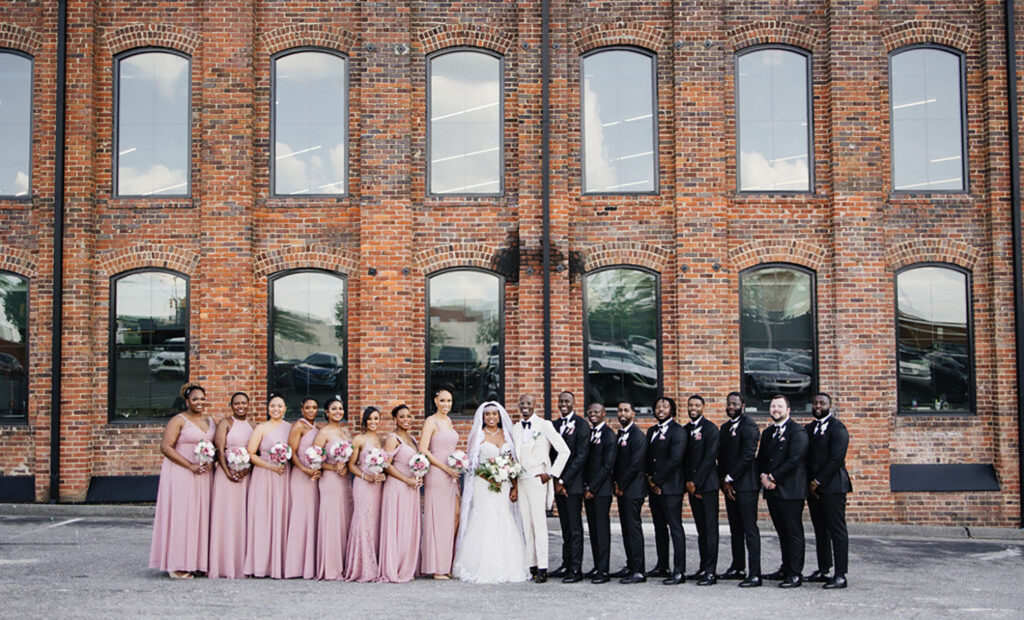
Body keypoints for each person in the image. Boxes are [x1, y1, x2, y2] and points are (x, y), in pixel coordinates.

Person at [452, 401, 529, 584]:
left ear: (500, 416)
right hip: (483, 484)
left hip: (502, 485)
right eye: (488, 415)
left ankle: (506, 565)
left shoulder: (507, 436)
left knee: (503, 518)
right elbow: (472, 466)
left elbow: (513, 463)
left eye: (494, 414)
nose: (491, 417)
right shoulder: (477, 436)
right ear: (483, 417)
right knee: (484, 519)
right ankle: (479, 565)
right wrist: (489, 476)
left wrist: (514, 486)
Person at [149, 383, 214, 579]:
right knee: (182, 516)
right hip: (181, 473)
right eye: (195, 399)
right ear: (187, 401)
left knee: (200, 516)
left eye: (202, 399)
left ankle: (196, 562)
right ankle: (177, 565)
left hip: (204, 474)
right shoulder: (178, 420)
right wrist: (190, 465)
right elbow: (166, 447)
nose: (199, 402)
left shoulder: (211, 421)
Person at [511, 393, 570, 583]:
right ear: (519, 406)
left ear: (535, 405)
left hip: (538, 479)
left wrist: (551, 473)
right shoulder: (515, 428)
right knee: (526, 524)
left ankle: (543, 567)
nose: (525, 406)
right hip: (521, 480)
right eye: (522, 404)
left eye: (529, 403)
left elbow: (564, 450)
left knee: (539, 524)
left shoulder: (544, 425)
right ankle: (532, 565)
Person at [756, 394, 809, 588]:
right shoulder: (768, 433)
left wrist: (773, 477)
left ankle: (795, 573)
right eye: (772, 406)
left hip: (791, 490)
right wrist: (763, 476)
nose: (775, 409)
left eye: (779, 406)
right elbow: (761, 458)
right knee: (781, 531)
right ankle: (785, 568)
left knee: (793, 531)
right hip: (772, 491)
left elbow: (794, 460)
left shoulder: (798, 431)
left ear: (788, 410)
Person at [805, 393, 852, 590]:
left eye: (822, 403)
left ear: (829, 406)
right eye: (815, 402)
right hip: (813, 489)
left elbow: (836, 459)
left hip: (833, 486)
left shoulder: (838, 429)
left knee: (837, 529)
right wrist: (810, 483)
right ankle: (824, 568)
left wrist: (818, 481)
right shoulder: (809, 428)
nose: (817, 406)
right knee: (820, 529)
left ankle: (840, 574)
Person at [244, 393, 292, 578]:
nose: (276, 409)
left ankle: (278, 564)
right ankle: (259, 564)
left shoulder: (289, 428)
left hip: (282, 476)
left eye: (280, 406)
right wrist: (270, 466)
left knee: (281, 516)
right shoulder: (261, 428)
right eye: (273, 406)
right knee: (263, 517)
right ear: (268, 408)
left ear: (285, 408)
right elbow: (251, 453)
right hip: (264, 475)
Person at [208, 391, 255, 579]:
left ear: (248, 404)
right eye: (237, 403)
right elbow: (220, 450)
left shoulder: (253, 425)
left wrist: (246, 470)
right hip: (226, 476)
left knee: (243, 517)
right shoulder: (226, 423)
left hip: (245, 476)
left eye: (244, 403)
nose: (240, 406)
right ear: (231, 405)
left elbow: (256, 451)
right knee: (225, 516)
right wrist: (227, 471)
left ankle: (243, 563)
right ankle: (222, 564)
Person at [718, 391, 763, 587]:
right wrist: (724, 481)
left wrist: (730, 477)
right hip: (729, 486)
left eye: (735, 404)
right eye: (729, 404)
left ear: (743, 405)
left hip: (746, 486)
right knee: (735, 528)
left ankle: (755, 574)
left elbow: (747, 456)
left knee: (749, 529)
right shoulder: (725, 427)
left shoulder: (750, 426)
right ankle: (738, 567)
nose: (731, 407)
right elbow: (721, 456)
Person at [419, 382, 461, 579]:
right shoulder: (431, 421)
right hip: (437, 473)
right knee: (439, 518)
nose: (446, 404)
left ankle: (446, 563)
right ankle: (437, 568)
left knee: (455, 516)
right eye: (442, 400)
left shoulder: (449, 421)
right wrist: (445, 468)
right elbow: (423, 450)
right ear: (435, 401)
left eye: (449, 401)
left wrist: (458, 463)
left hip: (451, 474)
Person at [645, 396, 688, 585]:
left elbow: (675, 459)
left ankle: (679, 570)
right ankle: (662, 565)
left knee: (675, 528)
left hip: (671, 488)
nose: (660, 409)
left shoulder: (678, 431)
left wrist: (657, 480)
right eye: (657, 406)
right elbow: (647, 456)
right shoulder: (651, 430)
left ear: (672, 410)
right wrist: (649, 479)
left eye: (665, 406)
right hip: (654, 488)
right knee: (659, 528)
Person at [378, 404, 423, 583]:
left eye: (408, 416)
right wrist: (407, 480)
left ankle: (407, 566)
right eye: (402, 416)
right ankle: (393, 567)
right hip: (397, 486)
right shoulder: (392, 438)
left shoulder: (412, 439)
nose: (406, 419)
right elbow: (386, 465)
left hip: (412, 487)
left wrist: (418, 476)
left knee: (408, 526)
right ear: (395, 419)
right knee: (396, 525)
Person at [550, 390, 590, 583]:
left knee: (575, 528)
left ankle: (576, 568)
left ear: (574, 403)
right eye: (561, 401)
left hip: (572, 485)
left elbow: (581, 457)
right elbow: (551, 454)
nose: (563, 403)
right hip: (557, 484)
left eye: (567, 401)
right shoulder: (554, 425)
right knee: (564, 526)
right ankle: (566, 564)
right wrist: (554, 479)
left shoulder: (582, 425)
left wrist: (563, 480)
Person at [344, 406, 387, 582]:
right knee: (363, 521)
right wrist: (365, 476)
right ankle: (361, 567)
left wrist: (381, 474)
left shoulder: (381, 440)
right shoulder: (359, 439)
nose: (373, 422)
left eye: (376, 419)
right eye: (370, 419)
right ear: (365, 421)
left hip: (378, 485)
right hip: (363, 484)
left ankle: (374, 562)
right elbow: (351, 464)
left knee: (374, 522)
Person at [313, 396, 353, 580]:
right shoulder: (324, 433)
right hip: (330, 480)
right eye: (334, 409)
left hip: (344, 480)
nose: (338, 411)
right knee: (332, 519)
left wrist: (345, 467)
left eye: (340, 408)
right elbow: (313, 458)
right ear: (327, 413)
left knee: (345, 518)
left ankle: (345, 563)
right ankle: (330, 566)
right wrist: (332, 467)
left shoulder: (346, 433)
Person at [683, 394, 720, 586]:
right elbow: (684, 459)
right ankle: (703, 566)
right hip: (692, 486)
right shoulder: (686, 429)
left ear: (703, 407)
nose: (693, 408)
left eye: (697, 405)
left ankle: (711, 572)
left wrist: (696, 482)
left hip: (707, 486)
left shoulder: (711, 429)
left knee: (710, 528)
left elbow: (709, 458)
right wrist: (688, 483)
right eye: (690, 405)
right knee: (700, 529)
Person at [284, 397, 321, 579]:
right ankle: (295, 565)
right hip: (301, 476)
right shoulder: (298, 426)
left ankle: (310, 563)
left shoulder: (318, 428)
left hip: (313, 476)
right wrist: (305, 470)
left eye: (314, 407)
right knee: (300, 515)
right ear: (301, 408)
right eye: (308, 407)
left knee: (311, 515)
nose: (311, 410)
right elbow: (292, 454)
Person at [612, 400, 647, 584]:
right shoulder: (621, 434)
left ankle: (639, 570)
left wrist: (621, 484)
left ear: (634, 413)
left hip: (633, 490)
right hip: (623, 490)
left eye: (626, 410)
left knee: (633, 529)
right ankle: (630, 564)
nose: (622, 413)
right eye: (619, 410)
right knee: (626, 528)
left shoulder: (637, 435)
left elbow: (635, 465)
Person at [582, 402, 616, 584]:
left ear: (603, 413)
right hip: (589, 489)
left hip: (601, 491)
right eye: (590, 412)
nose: (592, 414)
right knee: (593, 530)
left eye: (596, 412)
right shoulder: (590, 433)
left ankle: (604, 571)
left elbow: (607, 466)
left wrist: (592, 488)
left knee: (602, 530)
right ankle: (597, 566)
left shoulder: (609, 435)